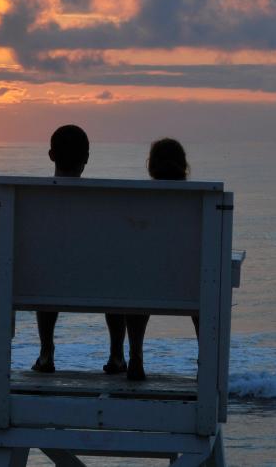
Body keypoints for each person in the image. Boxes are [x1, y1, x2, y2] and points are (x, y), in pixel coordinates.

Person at [32, 124, 128, 374]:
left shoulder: (33, 200)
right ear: (86, 157)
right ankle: (117, 354)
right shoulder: (105, 201)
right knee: (116, 273)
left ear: (51, 155)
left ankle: (46, 352)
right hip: (102, 285)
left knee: (46, 270)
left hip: (47, 285)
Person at [124, 137, 192, 381]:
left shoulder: (142, 200)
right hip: (191, 286)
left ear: (151, 166)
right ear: (184, 166)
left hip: (147, 285)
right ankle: (204, 361)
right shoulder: (198, 202)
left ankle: (135, 356)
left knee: (135, 282)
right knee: (204, 283)